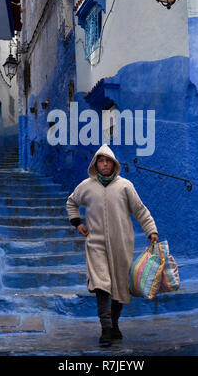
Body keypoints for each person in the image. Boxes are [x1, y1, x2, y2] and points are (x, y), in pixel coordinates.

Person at [66, 144, 158, 346]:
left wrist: (151, 231)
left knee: (118, 285)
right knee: (101, 285)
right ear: (95, 164)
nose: (105, 164)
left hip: (121, 244)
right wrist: (77, 222)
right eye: (101, 160)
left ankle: (115, 324)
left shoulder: (125, 186)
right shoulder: (86, 186)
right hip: (95, 244)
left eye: (108, 161)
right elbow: (71, 202)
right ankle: (106, 328)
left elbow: (140, 210)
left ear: (114, 164)